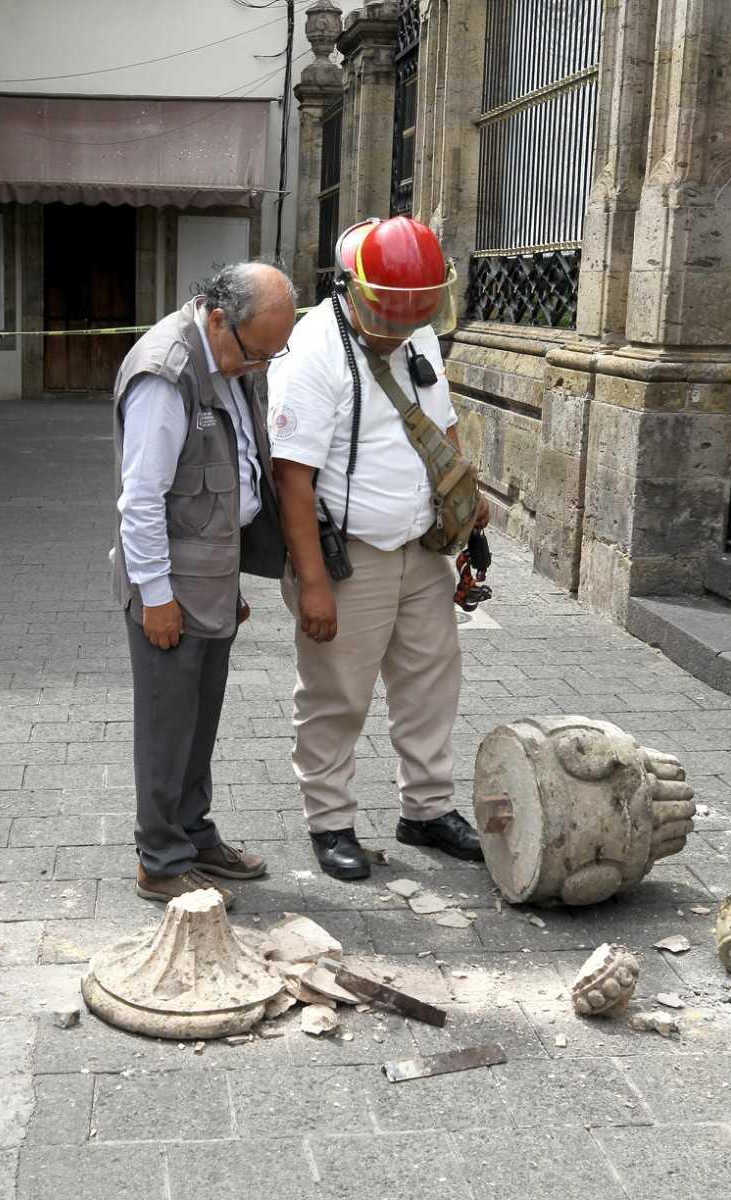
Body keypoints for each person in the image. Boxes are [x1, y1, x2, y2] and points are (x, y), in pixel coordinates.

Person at [264, 216, 491, 881]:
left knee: (430, 682)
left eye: (417, 309)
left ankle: (425, 809)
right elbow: (293, 478)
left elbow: (441, 425)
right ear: (355, 290)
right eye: (390, 310)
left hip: (420, 548)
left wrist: (463, 502)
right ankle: (330, 820)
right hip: (347, 556)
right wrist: (311, 584)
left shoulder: (416, 326)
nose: (402, 323)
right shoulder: (313, 350)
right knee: (338, 694)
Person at [112, 261, 291, 908]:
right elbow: (142, 501)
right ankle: (160, 860)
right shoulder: (167, 373)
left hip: (211, 577)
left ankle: (193, 832)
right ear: (218, 319)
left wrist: (230, 578)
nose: (263, 367)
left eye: (274, 353)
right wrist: (157, 597)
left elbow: (232, 477)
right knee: (167, 727)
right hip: (170, 589)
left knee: (198, 723)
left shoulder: (233, 361)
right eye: (257, 352)